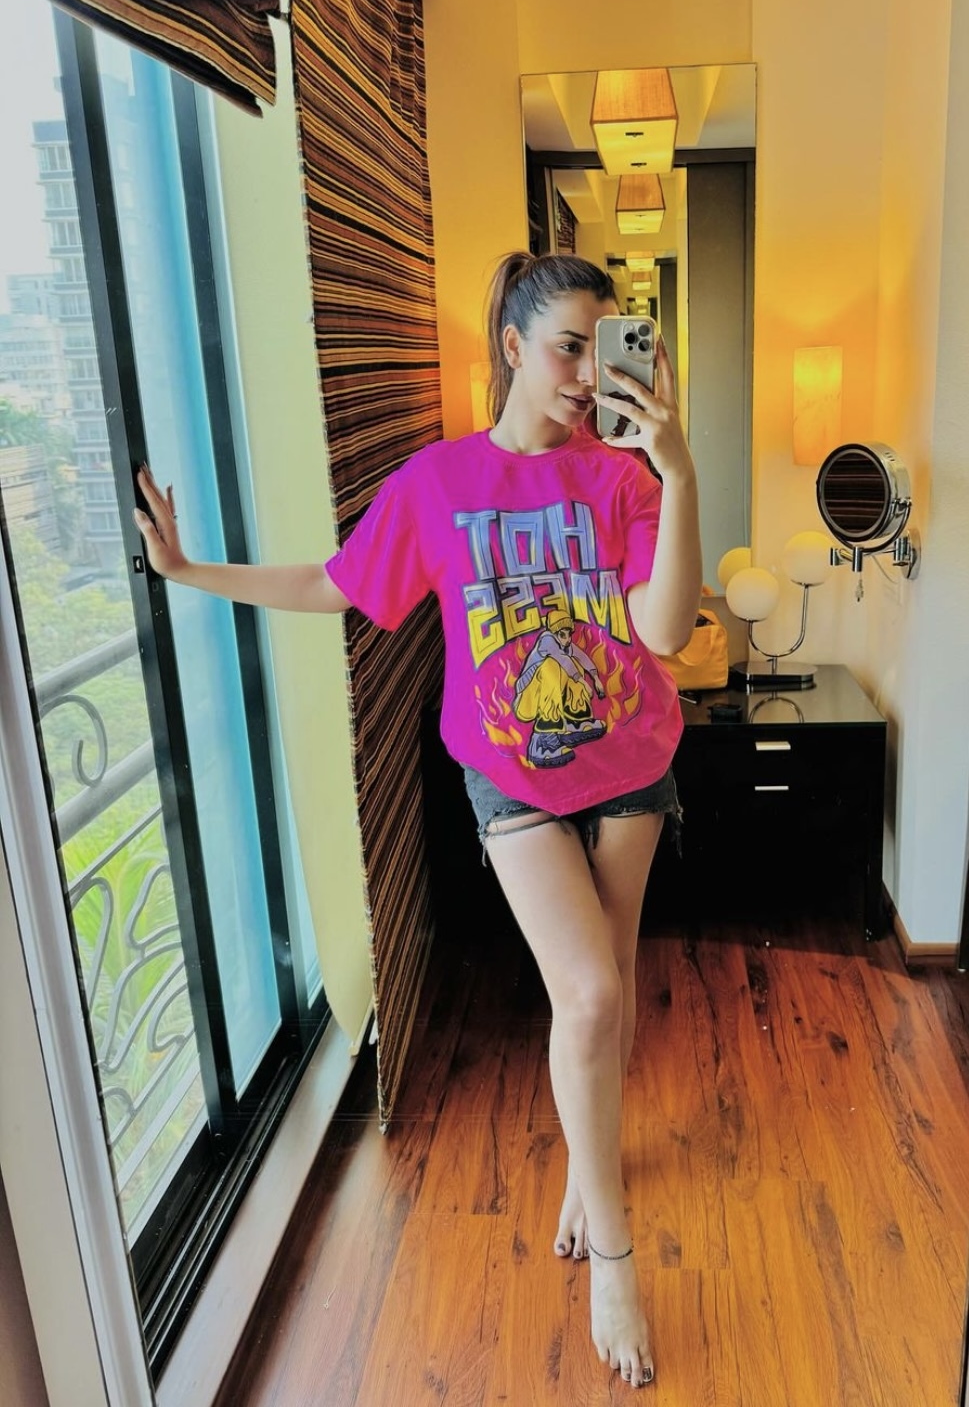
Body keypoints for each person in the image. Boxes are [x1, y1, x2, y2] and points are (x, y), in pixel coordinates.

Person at [134, 251, 702, 1390]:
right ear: (513, 347)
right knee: (589, 995)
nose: (587, 376)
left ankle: (584, 1165)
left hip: (632, 760)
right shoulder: (439, 482)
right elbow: (336, 584)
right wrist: (192, 572)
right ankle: (615, 1255)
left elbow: (664, 631)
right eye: (567, 348)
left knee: (606, 991)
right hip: (513, 782)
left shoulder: (624, 481)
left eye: (603, 351)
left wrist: (677, 469)